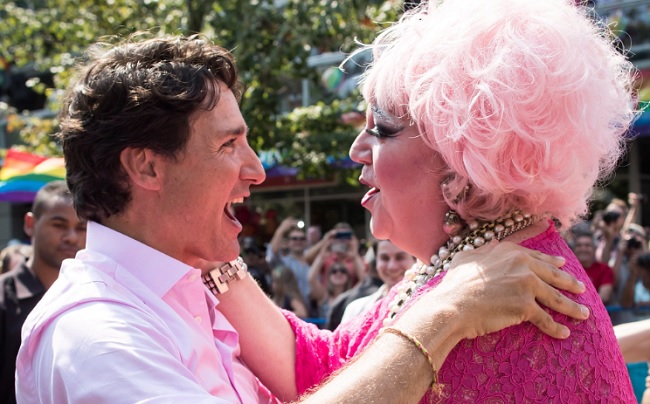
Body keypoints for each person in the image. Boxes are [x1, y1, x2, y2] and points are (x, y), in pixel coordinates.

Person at [15, 34, 589, 403]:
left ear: (465, 160)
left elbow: (312, 368)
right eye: (228, 145)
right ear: (145, 166)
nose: (257, 170)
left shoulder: (188, 283)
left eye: (381, 129)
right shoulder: (98, 337)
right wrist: (444, 317)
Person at [221, 0, 637, 401]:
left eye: (382, 129)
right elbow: (328, 365)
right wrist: (207, 243)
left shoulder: (504, 297)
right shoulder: (468, 266)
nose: (355, 150)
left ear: (463, 162)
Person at [1, 181, 86, 404]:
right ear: (30, 223)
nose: (71, 237)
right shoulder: (3, 299)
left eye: (81, 228)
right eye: (59, 225)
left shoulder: (92, 300)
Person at [340, 239, 415, 324]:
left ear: (415, 259)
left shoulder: (424, 304)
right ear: (376, 261)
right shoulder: (355, 309)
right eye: (385, 258)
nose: (392, 266)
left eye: (400, 257)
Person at [266, 217, 311, 300]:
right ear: (288, 242)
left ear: (306, 241)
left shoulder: (312, 259)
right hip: (291, 309)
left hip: (314, 311)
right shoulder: (284, 261)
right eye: (294, 239)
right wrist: (281, 230)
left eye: (302, 238)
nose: (298, 241)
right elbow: (272, 254)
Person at [572, 232, 615, 304]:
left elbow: (604, 297)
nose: (583, 249)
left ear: (594, 249)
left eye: (587, 245)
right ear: (573, 250)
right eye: (579, 245)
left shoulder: (604, 269)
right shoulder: (565, 269)